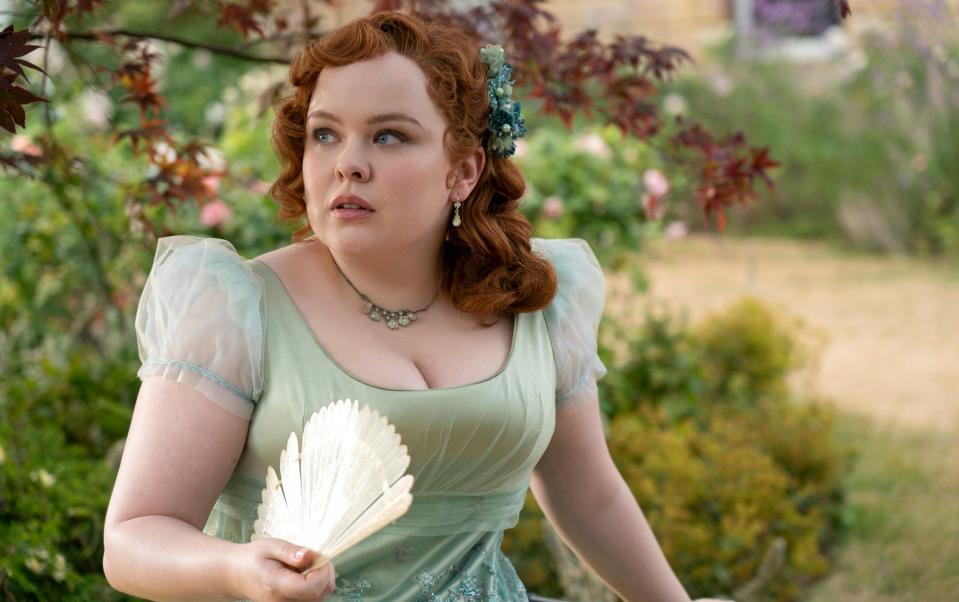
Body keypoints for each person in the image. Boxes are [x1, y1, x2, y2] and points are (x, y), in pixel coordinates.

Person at [102, 10, 709, 602]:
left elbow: (590, 497)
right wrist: (237, 570)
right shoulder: (236, 308)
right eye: (325, 134)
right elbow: (133, 540)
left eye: (388, 135)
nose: (348, 164)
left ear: (463, 170)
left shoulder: (531, 299)